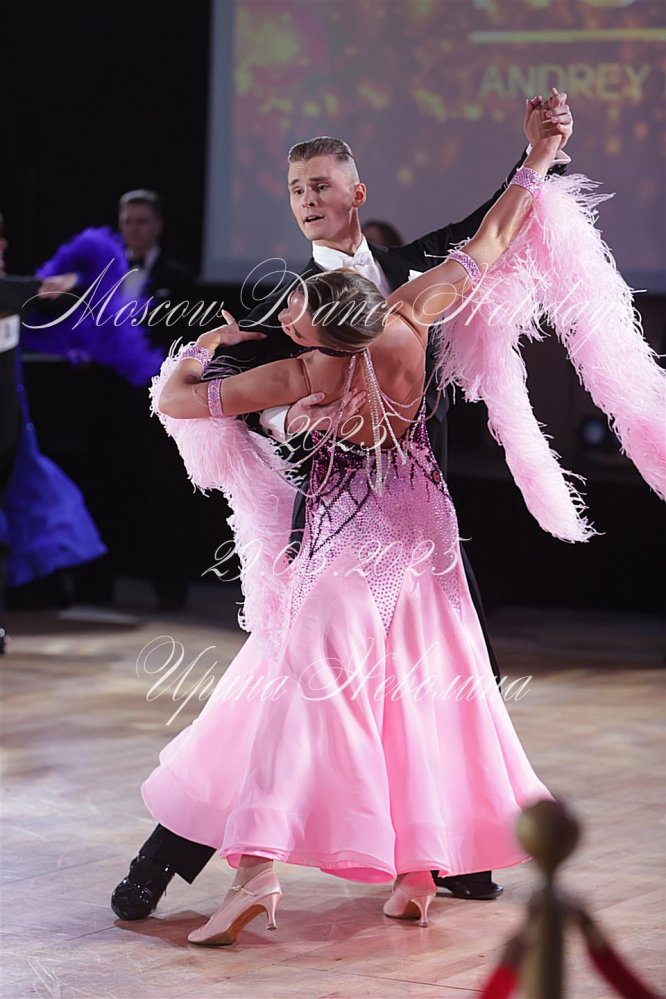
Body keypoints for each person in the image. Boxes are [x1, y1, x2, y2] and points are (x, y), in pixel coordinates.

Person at [111, 90, 574, 920]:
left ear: (357, 194)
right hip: (346, 516)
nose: (308, 199)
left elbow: (490, 227)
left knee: (437, 684)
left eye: (321, 184)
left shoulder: (406, 274)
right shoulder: (289, 305)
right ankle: (175, 857)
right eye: (297, 189)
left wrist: (538, 153)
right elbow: (240, 399)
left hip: (414, 517)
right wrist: (287, 418)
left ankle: (436, 857)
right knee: (285, 683)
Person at [117, 189, 198, 610]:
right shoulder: (104, 273)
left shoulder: (178, 277)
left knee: (165, 491)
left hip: (161, 399)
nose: (135, 229)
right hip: (112, 399)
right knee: (113, 485)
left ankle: (170, 588)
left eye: (142, 221)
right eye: (128, 221)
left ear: (158, 225)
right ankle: (100, 586)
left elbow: (184, 339)